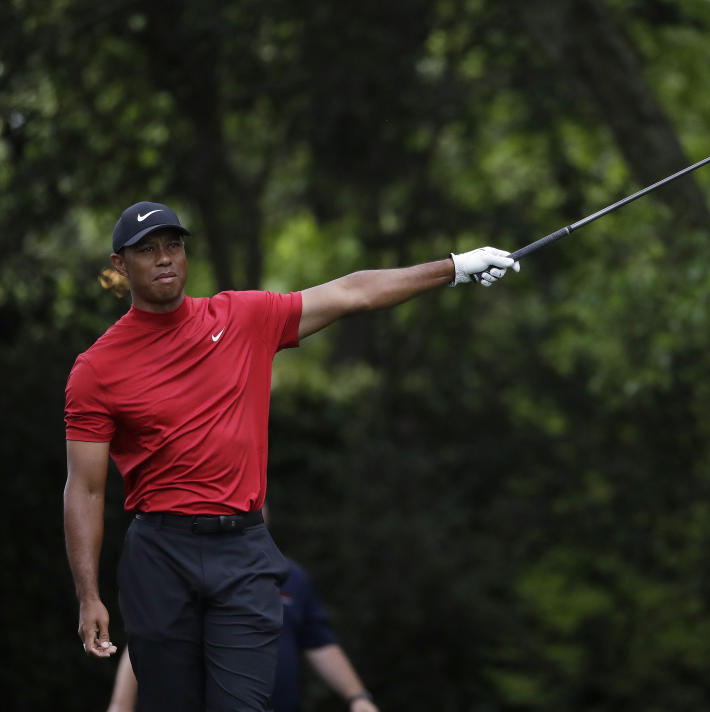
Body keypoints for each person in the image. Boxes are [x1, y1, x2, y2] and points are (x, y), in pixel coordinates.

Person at [64, 200, 518, 712]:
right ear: (120, 265)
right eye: (147, 250)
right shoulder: (97, 369)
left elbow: (352, 292)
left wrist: (455, 267)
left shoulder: (242, 317)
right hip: (160, 556)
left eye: (173, 246)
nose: (164, 258)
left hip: (243, 551)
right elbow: (85, 487)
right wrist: (88, 594)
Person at [106, 557, 379, 712]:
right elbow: (149, 638)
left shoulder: (290, 577)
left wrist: (358, 698)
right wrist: (121, 706)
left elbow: (320, 643)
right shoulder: (187, 571)